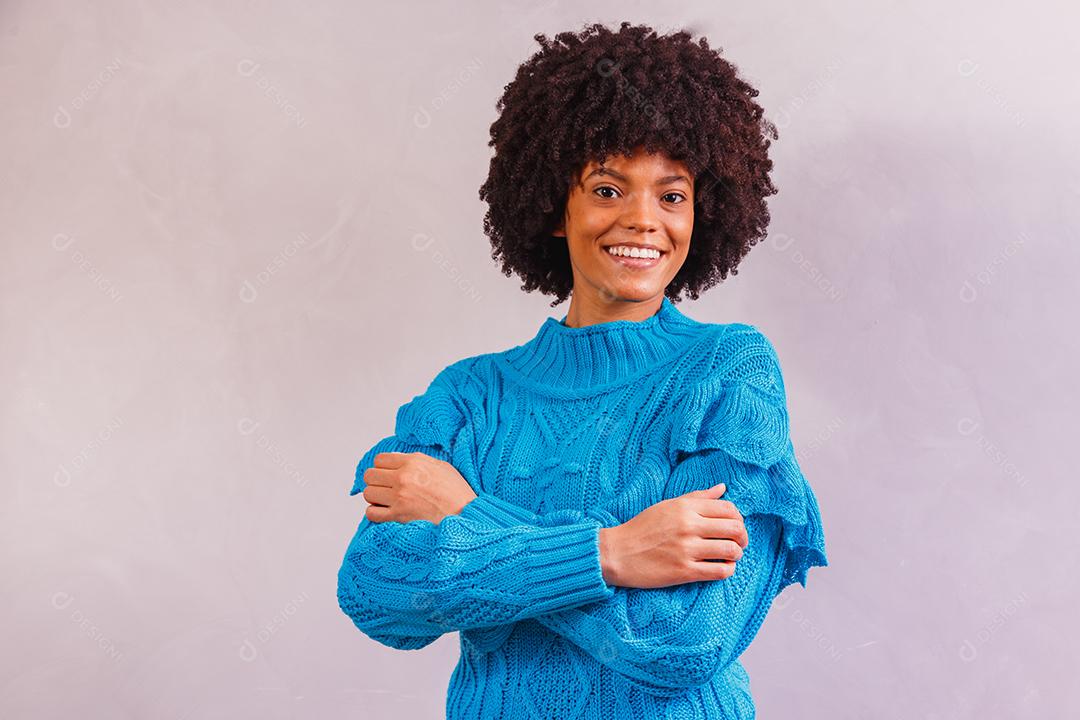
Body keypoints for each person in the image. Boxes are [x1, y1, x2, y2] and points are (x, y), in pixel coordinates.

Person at [337, 21, 828, 719]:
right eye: (606, 189)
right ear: (554, 208)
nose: (643, 220)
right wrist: (615, 553)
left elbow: (686, 639)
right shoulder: (470, 396)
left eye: (671, 195)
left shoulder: (727, 371)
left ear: (702, 214)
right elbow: (378, 591)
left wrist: (467, 514)